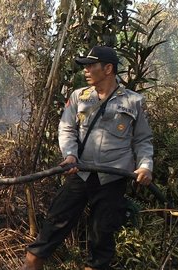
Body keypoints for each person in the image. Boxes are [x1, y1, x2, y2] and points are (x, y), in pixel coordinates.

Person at [21, 46, 154, 270]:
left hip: (113, 179)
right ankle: (32, 264)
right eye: (85, 66)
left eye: (91, 65)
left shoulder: (134, 102)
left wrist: (145, 167)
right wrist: (70, 155)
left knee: (102, 235)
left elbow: (142, 140)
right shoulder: (78, 97)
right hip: (80, 174)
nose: (86, 70)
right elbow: (66, 129)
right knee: (53, 224)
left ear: (108, 68)